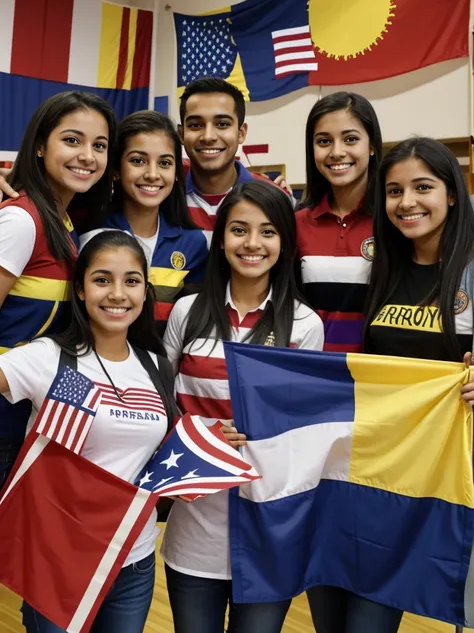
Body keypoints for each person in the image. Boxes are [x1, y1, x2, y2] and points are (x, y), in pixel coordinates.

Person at [307, 137, 474, 633]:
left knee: (370, 618)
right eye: (395, 191)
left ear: (452, 193)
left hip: (432, 480)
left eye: (423, 187)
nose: (407, 203)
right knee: (330, 606)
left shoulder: (470, 270)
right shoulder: (384, 270)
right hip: (368, 470)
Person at [162, 180, 325, 633]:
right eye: (239, 230)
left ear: (285, 243)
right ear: (220, 239)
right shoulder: (188, 312)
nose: (252, 244)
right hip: (195, 525)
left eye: (268, 231)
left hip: (270, 528)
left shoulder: (304, 325)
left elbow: (305, 430)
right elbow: (163, 406)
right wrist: (198, 436)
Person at [0, 230, 179, 633]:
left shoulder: (156, 366)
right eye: (102, 279)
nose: (118, 293)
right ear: (79, 289)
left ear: (145, 291)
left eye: (131, 281)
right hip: (60, 559)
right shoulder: (50, 358)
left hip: (133, 558)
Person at [0, 90, 116, 486]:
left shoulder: (64, 224)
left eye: (99, 145)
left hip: (27, 423)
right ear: (38, 145)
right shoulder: (21, 220)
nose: (87, 155)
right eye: (72, 140)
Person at [80, 110, 208, 333]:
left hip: (162, 364)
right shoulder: (90, 232)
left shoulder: (193, 243)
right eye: (138, 160)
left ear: (177, 172)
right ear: (116, 170)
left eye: (165, 163)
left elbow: (189, 327)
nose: (152, 174)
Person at [296, 92, 383, 352]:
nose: (337, 152)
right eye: (324, 141)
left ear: (371, 145)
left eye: (350, 139)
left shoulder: (394, 221)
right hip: (314, 374)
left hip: (380, 378)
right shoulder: (296, 223)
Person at [179, 76, 292, 244]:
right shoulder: (163, 191)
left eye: (222, 124)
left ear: (241, 133)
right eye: (196, 125)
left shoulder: (273, 197)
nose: (208, 136)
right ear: (181, 134)